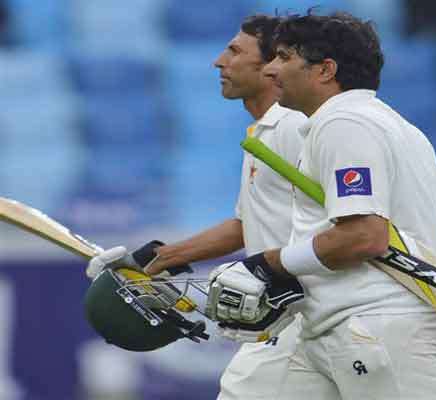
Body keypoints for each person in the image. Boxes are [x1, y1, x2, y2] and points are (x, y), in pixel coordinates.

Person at [205, 11, 436, 400]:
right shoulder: (395, 127)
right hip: (327, 328)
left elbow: (364, 237)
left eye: (285, 57)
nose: (271, 69)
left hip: (378, 327)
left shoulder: (344, 125)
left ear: (325, 70)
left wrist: (269, 263)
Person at [86, 14, 307, 400]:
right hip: (295, 321)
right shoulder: (265, 131)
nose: (219, 62)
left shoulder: (292, 128)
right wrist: (157, 259)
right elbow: (246, 225)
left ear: (272, 65)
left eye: (235, 51)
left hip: (318, 314)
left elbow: (341, 224)